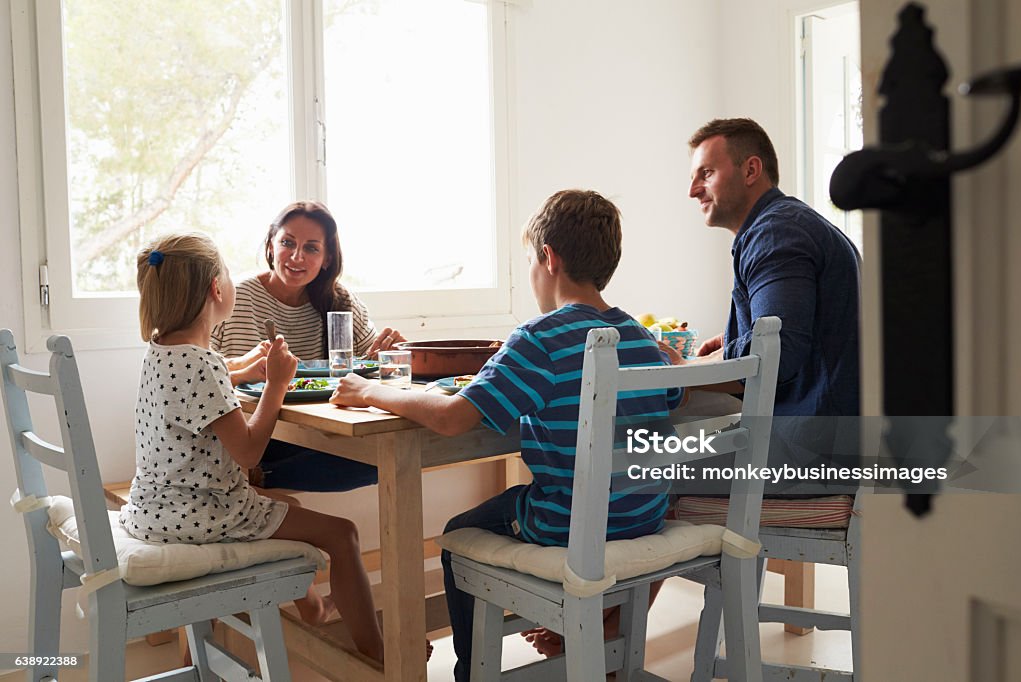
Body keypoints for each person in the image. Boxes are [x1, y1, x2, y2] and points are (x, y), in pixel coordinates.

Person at [330, 189, 683, 681]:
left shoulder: (541, 338)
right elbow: (666, 402)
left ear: (548, 257)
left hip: (574, 526)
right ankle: (584, 635)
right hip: (642, 516)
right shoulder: (643, 339)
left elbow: (453, 418)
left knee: (458, 535)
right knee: (532, 502)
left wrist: (370, 389)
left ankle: (474, 674)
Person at [120, 232, 386, 662]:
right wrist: (276, 386)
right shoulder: (201, 363)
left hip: (154, 509)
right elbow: (248, 453)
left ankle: (314, 607)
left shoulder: (164, 351)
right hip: (199, 514)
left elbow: (208, 378)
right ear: (216, 288)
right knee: (343, 534)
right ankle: (379, 654)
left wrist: (243, 369)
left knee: (284, 500)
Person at [686, 117, 861, 492]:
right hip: (834, 441)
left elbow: (775, 356)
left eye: (706, 173)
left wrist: (682, 373)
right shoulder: (789, 223)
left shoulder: (775, 233)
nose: (693, 190)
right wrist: (719, 351)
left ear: (751, 169)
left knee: (640, 475)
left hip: (816, 452)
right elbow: (787, 337)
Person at [211, 201, 402, 492]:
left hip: (319, 433)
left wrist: (391, 352)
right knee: (385, 461)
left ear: (327, 258)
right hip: (249, 434)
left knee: (389, 459)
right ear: (271, 246)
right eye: (287, 242)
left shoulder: (340, 302)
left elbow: (371, 362)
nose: (296, 256)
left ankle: (261, 477)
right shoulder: (234, 296)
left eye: (311, 248)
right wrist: (246, 365)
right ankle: (251, 475)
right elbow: (195, 370)